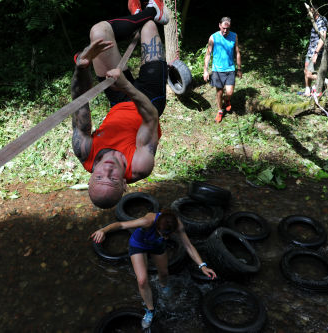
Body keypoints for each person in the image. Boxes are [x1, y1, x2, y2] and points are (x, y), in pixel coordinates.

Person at [70, 0, 169, 209]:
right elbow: (151, 117)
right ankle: (149, 13)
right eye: (113, 178)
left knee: (98, 32)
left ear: (89, 178)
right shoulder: (139, 166)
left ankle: (142, 13)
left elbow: (80, 103)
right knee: (149, 27)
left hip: (118, 98)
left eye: (99, 177)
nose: (106, 170)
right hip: (150, 100)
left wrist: (82, 68)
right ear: (124, 184)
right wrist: (127, 87)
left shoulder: (85, 152)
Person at [91, 210, 217, 329]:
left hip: (157, 246)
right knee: (142, 280)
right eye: (164, 235)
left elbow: (188, 246)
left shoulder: (177, 225)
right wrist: (103, 230)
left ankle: (164, 287)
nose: (167, 238)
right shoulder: (147, 221)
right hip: (138, 245)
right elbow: (121, 225)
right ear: (157, 227)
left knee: (163, 272)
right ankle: (150, 310)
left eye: (169, 235)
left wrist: (202, 266)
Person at [203, 17, 242, 123]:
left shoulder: (234, 36)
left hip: (230, 68)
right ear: (219, 25)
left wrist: (239, 68)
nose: (225, 31)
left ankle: (227, 99)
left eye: (227, 29)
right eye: (224, 28)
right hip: (217, 70)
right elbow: (208, 54)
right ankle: (220, 111)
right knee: (219, 92)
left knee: (229, 92)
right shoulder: (213, 37)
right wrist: (205, 70)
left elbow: (237, 52)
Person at [303, 5, 328, 97]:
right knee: (306, 70)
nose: (308, 14)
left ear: (315, 11)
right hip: (310, 51)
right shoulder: (315, 21)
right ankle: (308, 91)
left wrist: (316, 53)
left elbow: (322, 38)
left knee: (309, 74)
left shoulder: (321, 20)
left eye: (310, 11)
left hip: (315, 52)